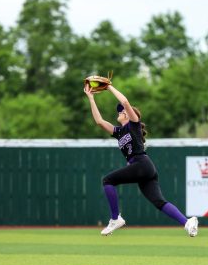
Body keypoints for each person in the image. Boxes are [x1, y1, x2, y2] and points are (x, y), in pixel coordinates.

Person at [84, 83, 198, 237]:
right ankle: (187, 222)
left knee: (107, 181)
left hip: (141, 164)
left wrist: (109, 87)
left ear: (128, 114)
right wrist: (91, 98)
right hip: (144, 169)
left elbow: (125, 102)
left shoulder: (133, 124)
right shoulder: (119, 132)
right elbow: (99, 121)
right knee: (159, 202)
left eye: (121, 111)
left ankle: (115, 218)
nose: (119, 112)